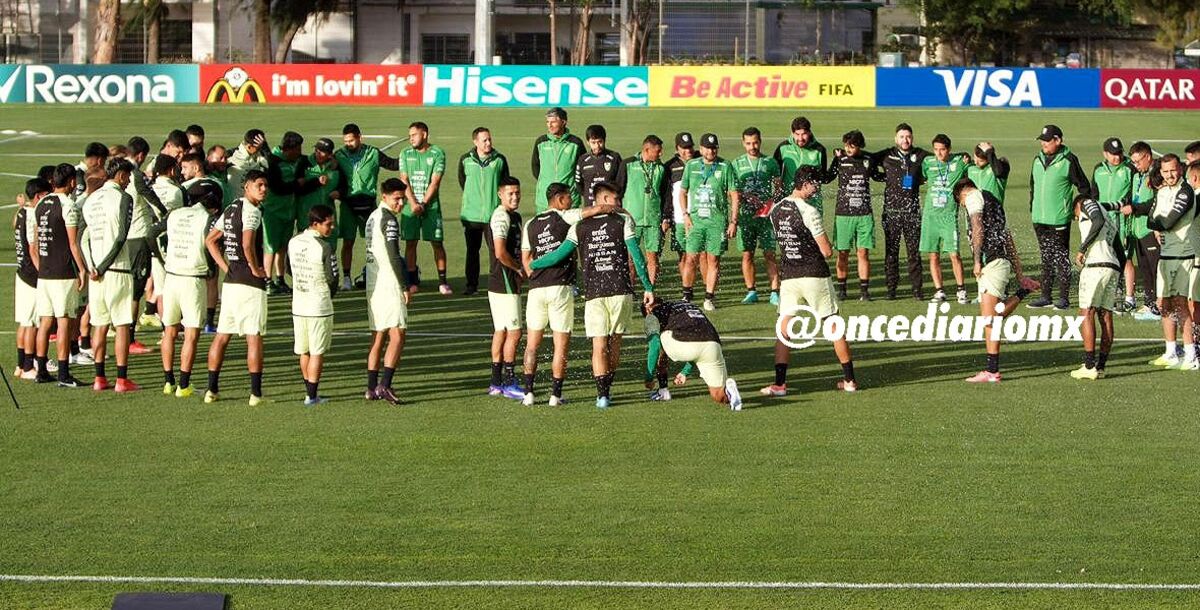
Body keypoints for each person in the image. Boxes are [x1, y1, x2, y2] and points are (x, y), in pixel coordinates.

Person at [530, 182, 653, 409]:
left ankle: (601, 395)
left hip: (594, 293)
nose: (619, 204)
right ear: (604, 200)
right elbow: (637, 255)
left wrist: (534, 264)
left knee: (598, 345)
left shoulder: (579, 226)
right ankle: (608, 387)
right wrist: (648, 287)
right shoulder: (622, 221)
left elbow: (557, 255)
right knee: (614, 342)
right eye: (615, 199)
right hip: (620, 290)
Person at [520, 183, 622, 406]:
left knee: (532, 345)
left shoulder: (530, 224)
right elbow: (595, 210)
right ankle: (555, 395)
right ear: (559, 200)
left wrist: (534, 275)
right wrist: (618, 209)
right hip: (560, 288)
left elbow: (526, 260)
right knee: (560, 345)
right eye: (568, 198)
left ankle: (528, 393)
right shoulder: (565, 216)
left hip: (536, 289)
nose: (572, 201)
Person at [760, 166, 857, 396]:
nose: (817, 188)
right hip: (814, 274)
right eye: (814, 184)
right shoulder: (809, 210)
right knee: (834, 326)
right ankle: (850, 381)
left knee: (784, 330)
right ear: (804, 184)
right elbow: (826, 251)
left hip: (789, 277)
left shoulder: (776, 209)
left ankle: (780, 384)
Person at [956, 179, 1040, 383]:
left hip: (990, 264)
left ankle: (992, 371)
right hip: (1000, 263)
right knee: (993, 319)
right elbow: (1008, 238)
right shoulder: (993, 201)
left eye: (960, 203)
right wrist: (1019, 274)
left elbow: (977, 227)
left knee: (991, 319)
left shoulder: (973, 197)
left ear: (961, 195)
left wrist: (976, 261)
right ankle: (992, 370)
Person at [148, 181, 222, 399]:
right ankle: (184, 384)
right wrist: (210, 267)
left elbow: (152, 235)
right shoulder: (208, 219)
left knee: (169, 331)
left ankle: (168, 381)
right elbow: (211, 246)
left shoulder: (175, 214)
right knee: (191, 334)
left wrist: (162, 260)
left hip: (171, 276)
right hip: (193, 279)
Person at [204, 169, 270, 406]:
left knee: (222, 337)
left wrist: (225, 267)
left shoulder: (232, 208)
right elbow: (247, 243)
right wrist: (254, 268)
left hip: (231, 281)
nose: (264, 189)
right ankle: (255, 394)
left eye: (265, 186)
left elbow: (211, 240)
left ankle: (211, 390)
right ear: (247, 187)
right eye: (259, 185)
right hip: (250, 284)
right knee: (254, 338)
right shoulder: (252, 212)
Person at [1128, 154, 1196, 369]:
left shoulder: (1186, 191)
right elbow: (1150, 221)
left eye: (1173, 170)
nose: (1169, 175)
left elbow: (1168, 221)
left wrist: (1160, 223)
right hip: (1165, 256)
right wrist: (1159, 223)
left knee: (1180, 304)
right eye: (1166, 171)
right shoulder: (1161, 192)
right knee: (1163, 305)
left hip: (1182, 255)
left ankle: (1191, 354)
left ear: (1181, 169)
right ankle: (1170, 353)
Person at [80, 157, 139, 392]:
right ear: (122, 175)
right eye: (128, 178)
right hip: (117, 270)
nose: (128, 182)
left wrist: (91, 266)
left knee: (100, 325)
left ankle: (99, 378)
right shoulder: (124, 198)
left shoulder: (90, 200)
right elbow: (121, 236)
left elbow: (82, 238)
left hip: (96, 275)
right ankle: (122, 380)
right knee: (122, 324)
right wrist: (103, 266)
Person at [33, 164, 88, 387]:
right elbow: (73, 244)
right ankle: (64, 374)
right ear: (72, 182)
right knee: (64, 322)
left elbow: (36, 244)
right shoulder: (69, 205)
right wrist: (82, 269)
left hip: (44, 273)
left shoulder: (40, 204)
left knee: (46, 322)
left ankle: (41, 370)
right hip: (63, 273)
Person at [1028, 124, 1092, 310]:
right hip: (1039, 218)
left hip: (1059, 218)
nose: (1043, 143)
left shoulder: (1069, 160)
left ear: (1058, 140)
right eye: (1042, 140)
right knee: (1046, 257)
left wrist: (1077, 207)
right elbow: (1033, 186)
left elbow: (1084, 187)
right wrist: (1033, 207)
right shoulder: (1037, 159)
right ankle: (1045, 296)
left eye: (1047, 140)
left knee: (1061, 258)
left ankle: (1063, 298)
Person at [643, 298, 742, 410]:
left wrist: (649, 377)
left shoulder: (652, 314)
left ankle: (663, 390)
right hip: (712, 344)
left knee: (660, 338)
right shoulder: (686, 304)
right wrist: (685, 371)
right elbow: (697, 335)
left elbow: (654, 347)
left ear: (648, 309)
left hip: (685, 343)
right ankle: (729, 392)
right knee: (718, 395)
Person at [335, 123, 401, 289]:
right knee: (348, 242)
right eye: (346, 141)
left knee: (374, 242)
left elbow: (393, 164)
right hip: (348, 205)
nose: (348, 144)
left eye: (351, 140)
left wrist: (408, 157)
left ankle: (373, 273)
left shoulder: (373, 153)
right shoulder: (339, 155)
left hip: (368, 204)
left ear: (359, 138)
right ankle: (347, 279)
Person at [364, 178, 411, 405]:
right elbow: (394, 255)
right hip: (388, 283)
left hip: (373, 282)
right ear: (384, 196)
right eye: (396, 199)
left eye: (403, 198)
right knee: (398, 334)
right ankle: (385, 384)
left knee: (378, 336)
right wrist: (404, 285)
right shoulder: (389, 220)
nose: (401, 203)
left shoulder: (373, 217)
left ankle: (371, 388)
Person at [680, 133, 739, 311]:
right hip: (696, 222)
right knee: (690, 258)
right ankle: (687, 296)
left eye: (714, 148)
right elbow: (682, 191)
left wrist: (733, 221)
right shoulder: (691, 165)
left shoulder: (725, 166)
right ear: (701, 148)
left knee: (713, 260)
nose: (711, 151)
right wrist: (685, 214)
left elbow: (734, 194)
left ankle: (709, 297)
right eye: (707, 147)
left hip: (717, 222)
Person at [288, 204, 339, 406]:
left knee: (304, 350)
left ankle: (308, 392)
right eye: (328, 224)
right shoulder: (325, 247)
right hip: (319, 306)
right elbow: (332, 277)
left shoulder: (293, 242)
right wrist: (328, 295)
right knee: (317, 351)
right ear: (315, 224)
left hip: (298, 305)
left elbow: (288, 268)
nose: (332, 228)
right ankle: (312, 396)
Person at [871, 123, 927, 300]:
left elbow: (939, 160)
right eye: (902, 137)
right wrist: (881, 177)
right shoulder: (887, 155)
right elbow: (867, 160)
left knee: (914, 254)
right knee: (891, 253)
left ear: (913, 138)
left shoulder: (921, 155)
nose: (905, 140)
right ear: (896, 138)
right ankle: (891, 290)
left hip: (912, 213)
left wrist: (962, 156)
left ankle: (917, 291)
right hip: (892, 212)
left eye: (908, 136)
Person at [263, 131, 321, 295]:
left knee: (282, 247)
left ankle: (280, 279)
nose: (299, 152)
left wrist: (316, 181)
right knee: (270, 247)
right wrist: (296, 183)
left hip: (289, 211)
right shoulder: (273, 162)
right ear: (288, 149)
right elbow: (277, 188)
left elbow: (302, 183)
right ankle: (268, 281)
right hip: (273, 211)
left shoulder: (298, 161)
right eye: (297, 149)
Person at [484, 176, 526, 400]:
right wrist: (519, 269)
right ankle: (510, 381)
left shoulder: (514, 216)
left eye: (517, 193)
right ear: (500, 194)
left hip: (497, 281)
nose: (515, 197)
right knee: (514, 332)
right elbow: (500, 252)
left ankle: (495, 382)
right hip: (505, 281)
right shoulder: (501, 216)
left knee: (500, 331)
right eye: (510, 193)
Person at [1070, 195, 1120, 380]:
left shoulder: (1086, 203)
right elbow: (1119, 248)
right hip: (1112, 266)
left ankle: (1089, 365)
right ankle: (1100, 366)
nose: (1076, 218)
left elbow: (1096, 220)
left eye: (1076, 215)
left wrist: (1082, 248)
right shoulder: (1109, 215)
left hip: (1096, 265)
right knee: (1105, 315)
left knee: (1087, 312)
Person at [399, 121, 450, 295]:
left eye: (414, 135)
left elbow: (435, 182)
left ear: (425, 134)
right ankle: (412, 282)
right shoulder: (405, 153)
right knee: (410, 242)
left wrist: (424, 204)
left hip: (431, 206)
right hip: (409, 206)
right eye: (409, 135)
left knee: (437, 243)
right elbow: (404, 180)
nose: (410, 138)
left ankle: (442, 282)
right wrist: (413, 203)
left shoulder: (437, 153)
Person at [731, 127, 781, 305]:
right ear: (743, 143)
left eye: (755, 142)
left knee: (770, 254)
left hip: (766, 218)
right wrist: (746, 197)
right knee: (747, 255)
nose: (752, 146)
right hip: (745, 218)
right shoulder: (736, 164)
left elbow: (779, 188)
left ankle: (775, 292)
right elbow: (732, 190)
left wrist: (770, 203)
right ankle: (751, 291)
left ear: (760, 141)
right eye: (749, 143)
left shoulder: (770, 162)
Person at [457, 126, 510, 296]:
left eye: (489, 139)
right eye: (484, 140)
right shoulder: (465, 160)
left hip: (492, 215)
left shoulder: (499, 159)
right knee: (472, 251)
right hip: (471, 215)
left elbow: (505, 184)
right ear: (475, 142)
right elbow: (462, 181)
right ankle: (471, 285)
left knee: (496, 251)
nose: (488, 143)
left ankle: (497, 283)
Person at [920, 134, 970, 305]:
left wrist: (966, 156)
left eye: (942, 150)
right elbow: (921, 175)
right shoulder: (928, 162)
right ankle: (939, 290)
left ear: (949, 149)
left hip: (948, 216)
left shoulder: (959, 162)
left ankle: (961, 290)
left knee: (954, 255)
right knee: (933, 255)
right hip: (930, 216)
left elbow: (968, 159)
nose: (939, 153)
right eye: (936, 149)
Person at [829, 129, 877, 301]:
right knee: (843, 253)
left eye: (853, 146)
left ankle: (864, 291)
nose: (849, 149)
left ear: (860, 146)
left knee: (863, 253)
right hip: (843, 214)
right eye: (846, 146)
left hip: (864, 214)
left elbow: (877, 176)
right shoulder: (839, 159)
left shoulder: (868, 160)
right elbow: (828, 177)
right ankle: (842, 290)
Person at [1090, 137, 1135, 313]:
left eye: (1119, 153)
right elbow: (1094, 194)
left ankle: (1130, 298)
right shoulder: (1098, 169)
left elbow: (1133, 192)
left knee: (1125, 258)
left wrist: (1126, 204)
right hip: (1104, 221)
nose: (1117, 157)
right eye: (1113, 154)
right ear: (1105, 154)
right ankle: (1115, 294)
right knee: (1108, 256)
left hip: (1123, 221)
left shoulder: (1129, 168)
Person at [616, 134, 667, 285]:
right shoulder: (628, 164)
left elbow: (664, 195)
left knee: (652, 258)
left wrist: (664, 217)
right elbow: (618, 190)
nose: (660, 154)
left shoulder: (661, 168)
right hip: (632, 220)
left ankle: (650, 290)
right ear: (646, 149)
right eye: (657, 151)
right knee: (631, 257)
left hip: (653, 221)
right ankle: (630, 288)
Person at [13, 178, 50, 380]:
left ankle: (21, 365)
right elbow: (34, 250)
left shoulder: (21, 213)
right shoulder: (33, 216)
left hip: (21, 271)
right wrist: (43, 274)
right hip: (31, 274)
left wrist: (23, 206)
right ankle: (28, 367)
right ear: (38, 196)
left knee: (25, 322)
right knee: (32, 324)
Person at [1125, 141, 1160, 317]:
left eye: (1138, 161)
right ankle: (1149, 304)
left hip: (1151, 230)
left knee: (1156, 270)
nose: (1136, 165)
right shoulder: (1137, 176)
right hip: (1138, 230)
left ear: (1148, 156)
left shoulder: (1157, 174)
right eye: (1133, 162)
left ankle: (1159, 306)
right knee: (1145, 270)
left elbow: (1157, 203)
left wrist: (1135, 208)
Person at [532, 107, 586, 212]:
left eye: (553, 122)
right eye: (547, 122)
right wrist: (545, 183)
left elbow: (582, 169)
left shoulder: (575, 143)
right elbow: (535, 167)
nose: (550, 125)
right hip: (544, 201)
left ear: (563, 122)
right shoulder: (541, 142)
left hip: (569, 201)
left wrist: (574, 187)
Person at [772, 116, 829, 215]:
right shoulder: (783, 148)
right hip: (789, 202)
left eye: (804, 134)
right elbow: (775, 173)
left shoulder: (819, 150)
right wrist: (778, 192)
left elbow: (822, 178)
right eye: (797, 134)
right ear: (792, 133)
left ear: (809, 132)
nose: (800, 138)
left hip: (812, 204)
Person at [663, 132, 698, 281]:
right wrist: (666, 217)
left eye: (690, 147)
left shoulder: (700, 161)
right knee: (683, 255)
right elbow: (666, 195)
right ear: (677, 148)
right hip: (678, 219)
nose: (688, 151)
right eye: (684, 148)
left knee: (700, 254)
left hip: (699, 216)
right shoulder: (669, 166)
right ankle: (687, 288)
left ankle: (706, 290)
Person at [296, 137, 341, 241]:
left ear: (330, 154)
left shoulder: (336, 167)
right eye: (317, 150)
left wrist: (339, 192)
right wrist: (316, 182)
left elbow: (343, 186)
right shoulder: (304, 163)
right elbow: (298, 189)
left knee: (329, 251)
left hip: (327, 219)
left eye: (322, 151)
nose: (318, 153)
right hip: (307, 217)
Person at [574, 124, 622, 207]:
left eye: (600, 142)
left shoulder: (614, 158)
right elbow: (578, 183)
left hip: (611, 206)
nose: (597, 146)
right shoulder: (582, 160)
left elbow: (621, 182)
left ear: (604, 140)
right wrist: (588, 196)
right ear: (588, 142)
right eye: (593, 142)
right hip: (590, 207)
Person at [226, 129, 269, 196]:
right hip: (234, 202)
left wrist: (266, 149)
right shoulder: (230, 155)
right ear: (249, 146)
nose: (260, 150)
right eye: (258, 148)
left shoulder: (260, 156)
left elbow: (274, 167)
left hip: (253, 202)